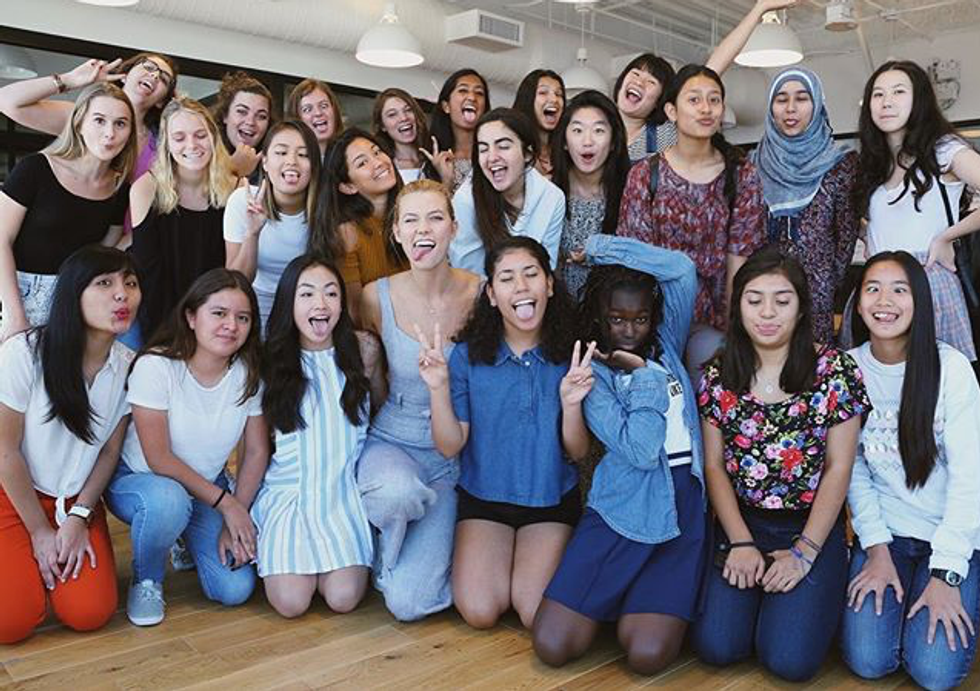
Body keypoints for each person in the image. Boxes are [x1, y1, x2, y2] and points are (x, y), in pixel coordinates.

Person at [691, 246, 870, 681]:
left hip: (809, 526)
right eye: (754, 300)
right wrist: (740, 542)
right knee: (717, 646)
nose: (767, 313)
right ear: (739, 307)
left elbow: (839, 467)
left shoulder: (835, 370)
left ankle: (811, 596)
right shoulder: (718, 374)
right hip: (743, 522)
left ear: (801, 307)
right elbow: (714, 466)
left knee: (789, 661)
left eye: (782, 300)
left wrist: (804, 552)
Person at [533, 235, 706, 674]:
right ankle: (617, 597)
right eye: (617, 319)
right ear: (600, 318)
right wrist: (643, 375)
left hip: (682, 507)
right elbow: (642, 450)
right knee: (553, 644)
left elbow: (681, 269)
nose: (629, 331)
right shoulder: (592, 372)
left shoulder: (666, 342)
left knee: (647, 656)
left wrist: (597, 250)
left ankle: (634, 601)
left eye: (640, 319)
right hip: (623, 507)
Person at [420, 237, 592, 629]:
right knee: (479, 611)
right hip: (485, 500)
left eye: (531, 274)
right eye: (507, 278)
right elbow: (449, 446)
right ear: (492, 295)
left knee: (534, 612)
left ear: (550, 285)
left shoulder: (571, 353)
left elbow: (579, 451)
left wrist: (571, 404)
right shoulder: (467, 356)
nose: (521, 287)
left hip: (549, 500)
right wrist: (437, 388)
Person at [841, 251, 980, 691]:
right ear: (858, 302)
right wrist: (876, 547)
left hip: (952, 538)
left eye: (899, 290)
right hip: (888, 535)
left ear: (919, 300)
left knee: (936, 672)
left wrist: (947, 573)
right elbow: (852, 469)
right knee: (868, 660)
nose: (885, 301)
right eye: (873, 289)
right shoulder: (849, 370)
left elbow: (971, 477)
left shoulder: (951, 369)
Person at [106, 269, 266, 626]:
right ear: (191, 317)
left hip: (206, 487)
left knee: (235, 588)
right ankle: (147, 579)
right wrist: (227, 504)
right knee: (169, 503)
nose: (231, 325)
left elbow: (256, 451)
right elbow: (159, 458)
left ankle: (181, 535)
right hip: (142, 481)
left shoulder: (247, 373)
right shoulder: (157, 366)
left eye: (243, 318)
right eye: (219, 313)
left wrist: (237, 510)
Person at [0, 245, 140, 643]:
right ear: (72, 294)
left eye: (131, 283)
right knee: (10, 623)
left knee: (90, 613)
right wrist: (39, 532)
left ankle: (36, 569)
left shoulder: (129, 366)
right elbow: (4, 451)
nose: (122, 294)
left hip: (75, 502)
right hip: (13, 494)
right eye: (105, 283)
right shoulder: (24, 353)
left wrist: (79, 516)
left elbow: (110, 452)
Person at [356, 180, 481, 621]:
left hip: (452, 458)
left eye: (435, 218)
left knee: (407, 604)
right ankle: (389, 536)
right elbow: (374, 379)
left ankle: (396, 559)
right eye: (410, 220)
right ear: (395, 232)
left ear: (454, 228)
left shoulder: (482, 293)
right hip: (392, 441)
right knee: (397, 494)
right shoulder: (375, 296)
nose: (422, 230)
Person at [617, 64, 766, 381]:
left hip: (715, 322)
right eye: (694, 99)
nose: (706, 109)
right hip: (656, 320)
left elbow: (740, 258)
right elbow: (635, 259)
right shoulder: (645, 174)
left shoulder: (742, 173)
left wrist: (734, 329)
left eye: (714, 100)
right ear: (671, 111)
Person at [252, 255, 374, 618]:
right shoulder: (269, 364)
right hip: (289, 496)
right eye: (306, 294)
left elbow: (378, 417)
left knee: (342, 598)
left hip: (342, 497)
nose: (320, 304)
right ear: (288, 304)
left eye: (331, 293)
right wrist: (238, 513)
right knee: (290, 603)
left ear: (342, 304)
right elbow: (254, 450)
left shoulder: (363, 353)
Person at [851, 60, 980, 362]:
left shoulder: (943, 150)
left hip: (927, 282)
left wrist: (948, 236)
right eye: (878, 94)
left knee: (935, 378)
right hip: (878, 287)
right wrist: (866, 235)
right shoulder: (872, 163)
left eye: (898, 92)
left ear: (918, 99)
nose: (887, 102)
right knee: (878, 379)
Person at [0, 83, 136, 341]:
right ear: (79, 124)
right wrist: (15, 316)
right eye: (99, 120)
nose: (110, 133)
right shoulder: (35, 169)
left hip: (70, 304)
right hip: (11, 298)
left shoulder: (120, 188)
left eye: (120, 124)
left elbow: (101, 253)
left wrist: (138, 234)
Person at [615, 0, 799, 162]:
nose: (639, 82)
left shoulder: (660, 136)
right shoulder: (600, 124)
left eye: (651, 82)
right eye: (635, 74)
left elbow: (713, 69)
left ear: (661, 102)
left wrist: (759, 9)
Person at [753, 66, 859, 345]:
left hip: (816, 296)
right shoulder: (753, 165)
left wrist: (824, 281)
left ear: (817, 105)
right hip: (763, 295)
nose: (790, 108)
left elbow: (846, 238)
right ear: (771, 108)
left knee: (812, 365)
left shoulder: (840, 165)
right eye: (781, 99)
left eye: (801, 98)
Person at [128, 96, 238, 345]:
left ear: (213, 137)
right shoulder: (146, 189)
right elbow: (149, 273)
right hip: (160, 321)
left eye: (200, 135)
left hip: (217, 322)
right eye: (179, 138)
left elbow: (233, 272)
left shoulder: (236, 190)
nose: (192, 145)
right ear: (167, 144)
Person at [0, 52, 177, 197]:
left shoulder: (163, 141)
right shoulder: (82, 116)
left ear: (161, 101)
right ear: (125, 75)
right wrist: (69, 80)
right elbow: (7, 101)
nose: (154, 75)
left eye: (164, 79)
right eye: (149, 67)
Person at [224, 120, 320, 329]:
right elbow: (236, 281)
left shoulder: (326, 207)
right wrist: (252, 233)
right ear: (265, 162)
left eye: (303, 155)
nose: (291, 161)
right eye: (281, 152)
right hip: (257, 300)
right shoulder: (242, 201)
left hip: (311, 302)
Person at [451, 108, 565, 276]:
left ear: (528, 153)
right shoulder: (466, 200)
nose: (492, 157)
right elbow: (468, 273)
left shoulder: (552, 197)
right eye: (483, 149)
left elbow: (547, 267)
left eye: (503, 146)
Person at [314, 128, 408, 324]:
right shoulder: (348, 233)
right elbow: (356, 313)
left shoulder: (412, 212)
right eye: (362, 163)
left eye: (377, 152)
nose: (379, 162)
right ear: (348, 186)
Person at [550, 90, 630, 300]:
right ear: (564, 141)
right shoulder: (548, 191)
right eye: (577, 130)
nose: (587, 141)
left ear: (613, 142)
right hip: (557, 306)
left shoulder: (631, 191)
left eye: (598, 130)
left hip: (612, 306)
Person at [373, 88, 452, 185]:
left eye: (408, 110)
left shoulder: (436, 158)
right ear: (382, 126)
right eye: (392, 114)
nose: (404, 118)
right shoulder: (385, 167)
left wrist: (445, 175)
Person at [429, 69, 490, 191]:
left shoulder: (493, 154)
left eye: (479, 93)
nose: (472, 97)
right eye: (463, 90)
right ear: (446, 106)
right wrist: (446, 181)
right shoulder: (433, 158)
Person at [212, 71, 274, 179]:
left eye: (261, 116)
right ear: (225, 115)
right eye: (242, 111)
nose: (250, 122)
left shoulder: (273, 166)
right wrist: (233, 170)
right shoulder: (204, 157)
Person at [512, 70, 565, 178]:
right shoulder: (514, 148)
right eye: (543, 92)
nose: (554, 99)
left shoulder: (567, 149)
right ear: (528, 100)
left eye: (559, 94)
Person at [285, 78, 344, 161]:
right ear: (297, 118)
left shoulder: (350, 156)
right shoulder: (290, 162)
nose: (318, 113)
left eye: (324, 106)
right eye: (307, 109)